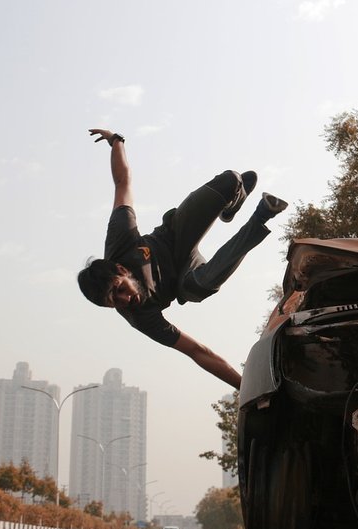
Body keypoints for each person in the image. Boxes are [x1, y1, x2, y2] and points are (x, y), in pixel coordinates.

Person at [78, 128, 288, 389]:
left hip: (175, 235)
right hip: (186, 279)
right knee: (204, 283)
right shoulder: (141, 317)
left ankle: (234, 201)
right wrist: (248, 388)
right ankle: (261, 217)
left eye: (120, 289)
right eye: (115, 303)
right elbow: (197, 352)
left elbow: (122, 184)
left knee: (231, 180)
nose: (125, 299)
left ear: (120, 268)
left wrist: (116, 141)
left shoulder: (119, 240)